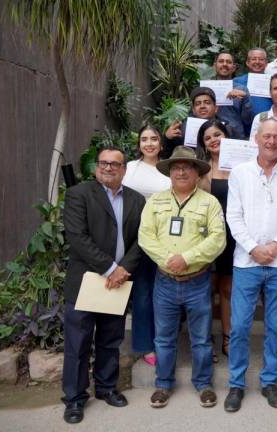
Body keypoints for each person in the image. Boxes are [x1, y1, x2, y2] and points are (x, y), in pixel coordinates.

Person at [223, 119, 277, 413]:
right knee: (240, 326)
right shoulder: (240, 173)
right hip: (246, 263)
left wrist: (275, 246)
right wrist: (253, 248)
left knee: (274, 327)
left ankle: (269, 381)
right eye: (267, 136)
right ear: (256, 139)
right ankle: (236, 383)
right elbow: (233, 216)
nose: (272, 141)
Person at [61, 147, 145, 424]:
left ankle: (107, 387)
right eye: (103, 163)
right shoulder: (79, 194)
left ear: (124, 169)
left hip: (119, 281)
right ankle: (74, 398)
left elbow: (139, 240)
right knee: (78, 342)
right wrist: (111, 268)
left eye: (114, 164)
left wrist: (124, 270)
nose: (108, 168)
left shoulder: (135, 199)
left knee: (111, 339)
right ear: (97, 166)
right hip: (87, 280)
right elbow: (77, 236)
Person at [138, 146, 227, 409]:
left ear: (197, 172)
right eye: (176, 167)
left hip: (198, 282)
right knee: (164, 337)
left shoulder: (209, 203)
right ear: (170, 173)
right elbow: (146, 236)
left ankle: (203, 384)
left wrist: (186, 258)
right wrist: (168, 260)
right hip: (164, 281)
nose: (181, 171)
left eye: (187, 167)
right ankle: (163, 384)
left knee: (201, 338)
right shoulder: (155, 201)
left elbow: (218, 240)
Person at [122, 126, 171, 367]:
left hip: (163, 238)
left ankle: (164, 340)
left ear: (161, 144)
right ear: (139, 144)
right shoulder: (129, 168)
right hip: (134, 238)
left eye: (154, 139)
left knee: (162, 293)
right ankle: (144, 344)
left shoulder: (168, 169)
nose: (149, 143)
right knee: (142, 293)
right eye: (144, 139)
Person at [195, 120, 237, 360]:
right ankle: (204, 340)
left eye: (217, 134)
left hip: (234, 235)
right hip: (208, 234)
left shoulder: (241, 165)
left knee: (228, 289)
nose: (213, 140)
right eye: (208, 137)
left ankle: (228, 336)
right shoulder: (201, 169)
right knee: (206, 288)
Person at [163, 87, 241, 157]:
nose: (202, 106)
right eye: (198, 104)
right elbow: (167, 155)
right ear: (193, 110)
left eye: (207, 103)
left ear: (216, 108)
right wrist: (167, 138)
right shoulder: (183, 129)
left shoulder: (228, 128)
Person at [211, 52, 255, 137]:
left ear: (234, 67)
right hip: (211, 138)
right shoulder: (206, 88)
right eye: (221, 61)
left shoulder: (241, 89)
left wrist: (245, 98)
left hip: (235, 139)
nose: (224, 64)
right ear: (214, 66)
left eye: (228, 62)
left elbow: (248, 120)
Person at [233, 48, 273, 116]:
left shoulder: (273, 82)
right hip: (243, 124)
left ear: (266, 63)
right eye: (254, 59)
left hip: (267, 123)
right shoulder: (236, 82)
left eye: (261, 59)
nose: (257, 62)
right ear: (247, 63)